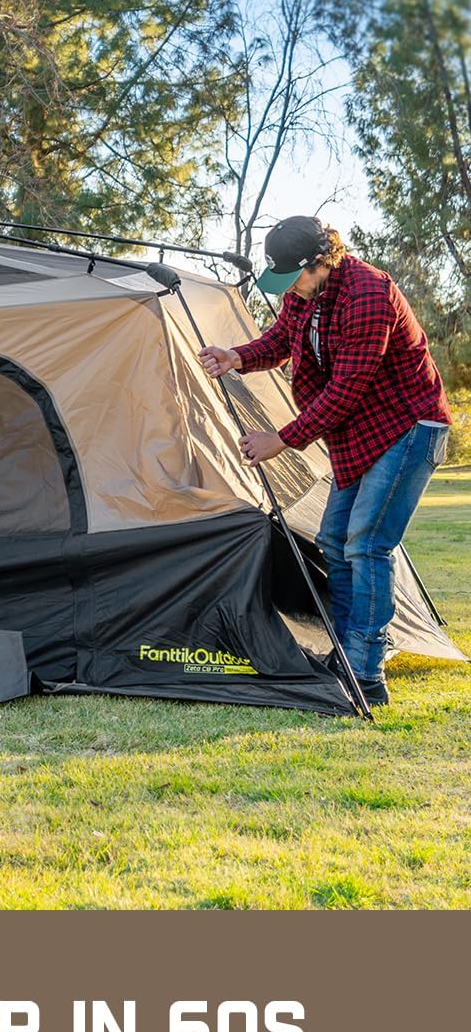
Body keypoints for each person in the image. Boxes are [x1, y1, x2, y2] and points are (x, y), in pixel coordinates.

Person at [197, 216, 451, 707]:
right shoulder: (306, 293)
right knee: (334, 539)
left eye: (293, 276)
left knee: (367, 543)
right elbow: (281, 340)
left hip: (409, 426)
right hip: (361, 433)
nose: (288, 288)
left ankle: (366, 671)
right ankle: (349, 651)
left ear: (320, 261)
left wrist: (281, 439)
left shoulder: (369, 293)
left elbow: (346, 389)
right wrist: (236, 356)